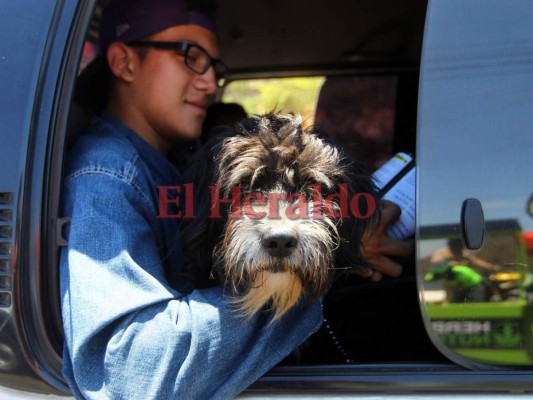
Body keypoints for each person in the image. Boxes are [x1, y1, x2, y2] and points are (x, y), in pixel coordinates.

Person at [60, 0, 411, 398]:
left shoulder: (167, 162)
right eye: (190, 57)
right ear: (124, 62)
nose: (210, 83)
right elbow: (127, 374)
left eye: (214, 66)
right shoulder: (106, 178)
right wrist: (334, 262)